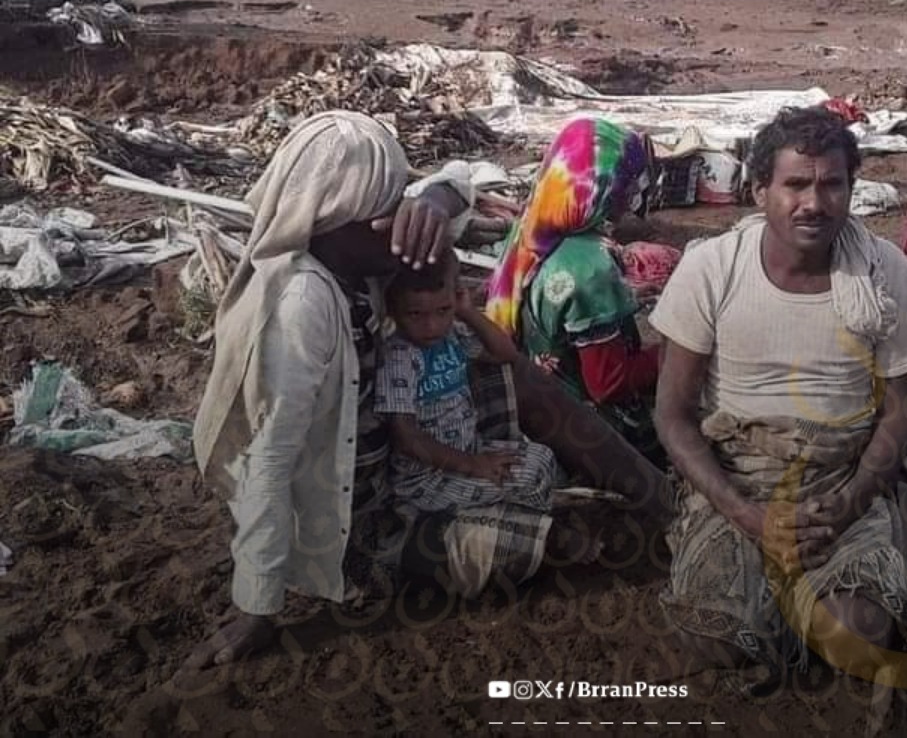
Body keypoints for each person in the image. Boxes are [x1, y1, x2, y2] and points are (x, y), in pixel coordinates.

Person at [186, 111, 670, 669]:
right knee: (537, 546)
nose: (401, 221)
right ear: (345, 219)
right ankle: (605, 517)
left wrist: (436, 201)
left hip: (410, 462)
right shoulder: (302, 307)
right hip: (363, 524)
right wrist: (257, 604)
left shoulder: (352, 258)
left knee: (518, 378)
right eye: (389, 209)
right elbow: (268, 461)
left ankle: (661, 500)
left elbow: (456, 182)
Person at [650, 106, 907, 682]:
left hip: (838, 482)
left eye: (833, 184)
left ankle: (809, 605)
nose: (815, 202)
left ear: (851, 190)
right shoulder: (712, 268)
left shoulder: (881, 273)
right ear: (760, 190)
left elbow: (901, 413)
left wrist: (851, 502)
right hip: (737, 482)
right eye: (796, 184)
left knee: (858, 638)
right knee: (715, 637)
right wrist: (746, 514)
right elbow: (673, 416)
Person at [377, 253, 603, 562]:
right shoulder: (399, 356)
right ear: (393, 310)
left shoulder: (451, 336)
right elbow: (406, 436)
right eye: (416, 315)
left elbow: (505, 353)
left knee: (543, 458)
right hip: (426, 479)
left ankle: (535, 520)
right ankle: (541, 539)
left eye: (443, 311)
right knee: (529, 479)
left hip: (469, 449)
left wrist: (468, 312)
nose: (431, 326)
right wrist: (474, 464)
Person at [486, 117, 666, 463]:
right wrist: (672, 353)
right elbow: (608, 385)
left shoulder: (532, 231)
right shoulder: (591, 267)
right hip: (590, 429)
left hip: (540, 406)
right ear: (598, 185)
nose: (630, 196)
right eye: (625, 183)